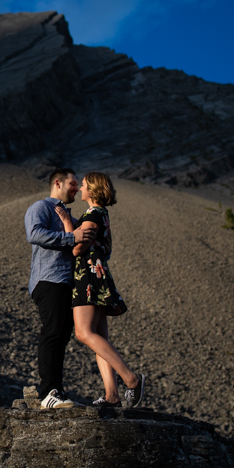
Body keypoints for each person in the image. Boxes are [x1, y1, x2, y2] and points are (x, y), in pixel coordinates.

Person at [54, 172, 144, 408]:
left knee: (84, 333)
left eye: (82, 185)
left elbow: (75, 249)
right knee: (99, 338)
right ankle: (112, 395)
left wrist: (66, 223)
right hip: (97, 275)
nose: (79, 189)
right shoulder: (101, 215)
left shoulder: (93, 215)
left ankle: (131, 379)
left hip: (88, 278)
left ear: (92, 191)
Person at [24, 168, 95, 409]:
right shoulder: (41, 207)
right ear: (58, 183)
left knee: (62, 334)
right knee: (53, 331)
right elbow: (34, 234)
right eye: (72, 183)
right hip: (49, 279)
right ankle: (48, 393)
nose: (76, 188)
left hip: (66, 282)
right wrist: (71, 237)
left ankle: (56, 390)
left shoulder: (69, 217)